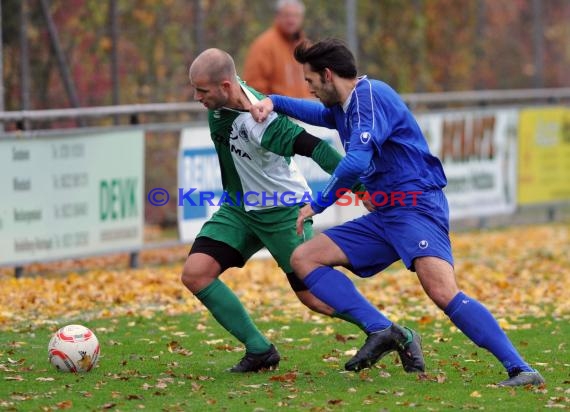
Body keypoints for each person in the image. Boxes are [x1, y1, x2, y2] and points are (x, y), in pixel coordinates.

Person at [250, 38, 545, 387]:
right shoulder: (345, 104)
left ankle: (521, 369)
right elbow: (318, 115)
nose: (310, 89)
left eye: (311, 82)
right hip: (387, 214)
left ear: (328, 75)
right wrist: (273, 102)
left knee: (442, 292)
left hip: (416, 206)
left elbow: (355, 162)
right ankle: (383, 330)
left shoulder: (370, 97)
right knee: (305, 258)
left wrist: (319, 202)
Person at [182, 48, 424, 373]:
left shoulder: (261, 122)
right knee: (195, 274)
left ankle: (394, 333)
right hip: (238, 210)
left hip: (283, 213)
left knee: (314, 299)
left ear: (226, 86)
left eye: (202, 91)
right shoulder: (225, 96)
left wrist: (361, 189)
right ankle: (259, 350)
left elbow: (318, 149)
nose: (197, 97)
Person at [242, 0, 312, 98]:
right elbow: (254, 86)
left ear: (302, 18)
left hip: (306, 109)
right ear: (277, 17)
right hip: (276, 110)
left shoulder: (305, 45)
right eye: (287, 15)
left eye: (296, 16)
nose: (291, 20)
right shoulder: (264, 45)